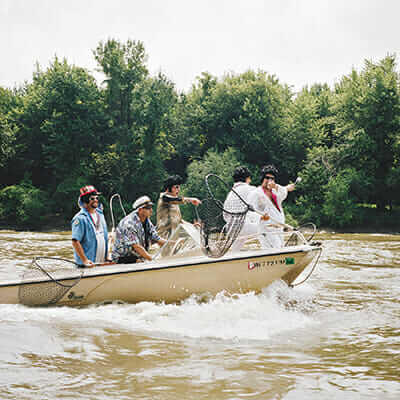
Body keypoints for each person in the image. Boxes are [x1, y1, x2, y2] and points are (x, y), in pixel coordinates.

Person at [248, 164, 295, 248]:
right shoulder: (256, 193)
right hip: (266, 227)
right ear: (262, 178)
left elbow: (283, 194)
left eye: (272, 178)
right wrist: (260, 217)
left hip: (279, 226)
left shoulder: (275, 191)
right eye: (267, 178)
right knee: (275, 248)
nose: (269, 180)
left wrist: (276, 186)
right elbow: (250, 211)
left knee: (281, 247)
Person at [223, 166, 269, 251]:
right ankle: (270, 252)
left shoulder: (231, 193)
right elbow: (264, 203)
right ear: (247, 178)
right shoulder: (250, 189)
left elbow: (225, 215)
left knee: (235, 252)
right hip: (243, 226)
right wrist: (262, 216)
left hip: (231, 229)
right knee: (267, 231)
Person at [112, 195, 167, 263]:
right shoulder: (128, 224)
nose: (151, 210)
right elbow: (136, 247)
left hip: (137, 256)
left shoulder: (146, 221)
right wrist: (153, 260)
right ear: (140, 210)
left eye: (151, 207)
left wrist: (172, 243)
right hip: (122, 258)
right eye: (148, 208)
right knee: (143, 261)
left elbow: (157, 238)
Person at [72, 185, 109, 267]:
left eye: (96, 198)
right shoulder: (80, 218)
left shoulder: (101, 215)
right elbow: (75, 241)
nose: (95, 200)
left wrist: (107, 256)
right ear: (85, 201)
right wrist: (85, 260)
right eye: (92, 198)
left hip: (101, 263)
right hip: (87, 266)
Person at [156, 175, 201, 239]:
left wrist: (191, 226)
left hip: (174, 235)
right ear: (168, 188)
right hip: (164, 236)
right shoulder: (163, 197)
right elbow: (175, 200)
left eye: (179, 187)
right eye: (176, 187)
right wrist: (191, 199)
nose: (178, 190)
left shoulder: (175, 203)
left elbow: (179, 220)